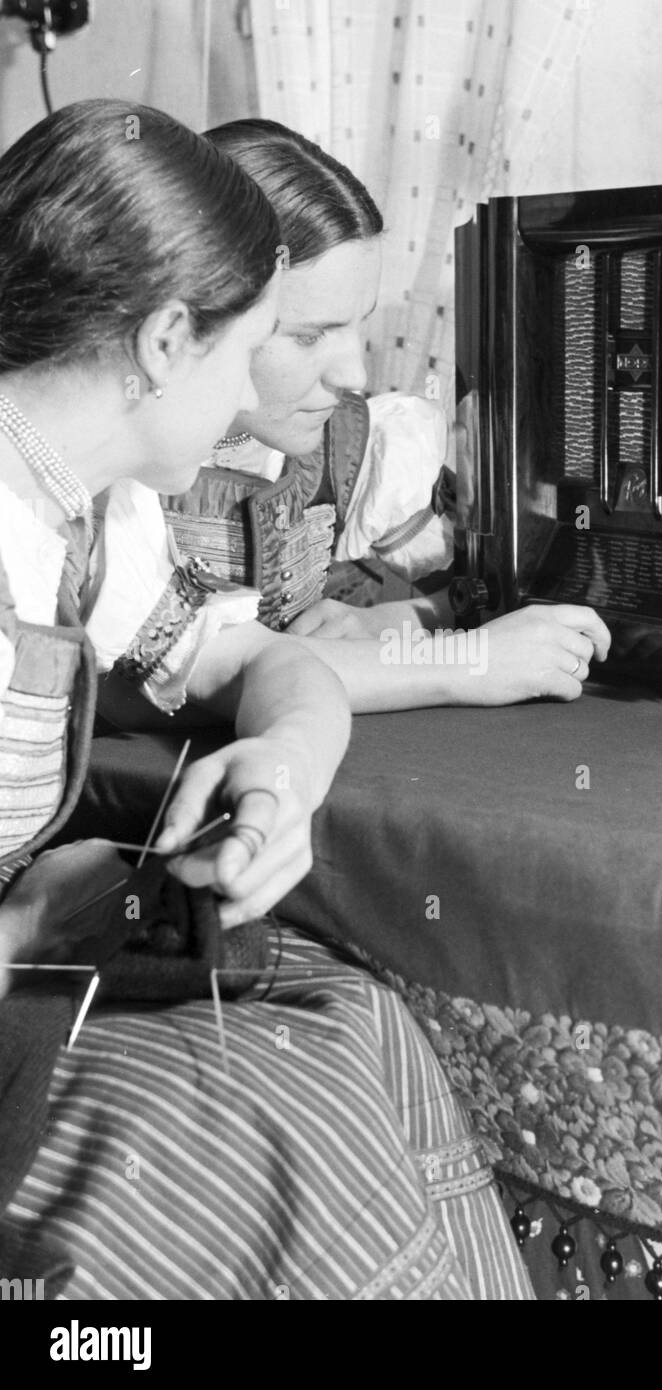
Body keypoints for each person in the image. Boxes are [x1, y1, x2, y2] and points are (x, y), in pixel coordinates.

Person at [0, 99, 533, 1299]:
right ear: (168, 340)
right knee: (293, 1125)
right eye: (254, 351)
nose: (264, 399)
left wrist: (285, 765)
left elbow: (265, 665)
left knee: (358, 1026)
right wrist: (29, 928)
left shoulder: (91, 507)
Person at [99, 119, 610, 723]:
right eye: (309, 334)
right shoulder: (106, 462)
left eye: (358, 323)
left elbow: (546, 575)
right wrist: (465, 662)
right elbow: (160, 679)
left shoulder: (351, 444)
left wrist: (402, 619)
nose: (355, 374)